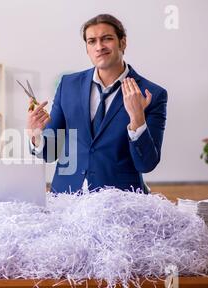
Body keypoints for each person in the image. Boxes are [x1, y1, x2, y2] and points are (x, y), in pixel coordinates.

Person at [27, 14, 167, 193]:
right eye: (92, 41)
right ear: (87, 48)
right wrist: (36, 135)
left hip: (120, 204)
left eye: (106, 39)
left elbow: (146, 164)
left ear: (122, 43)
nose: (99, 47)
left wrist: (137, 119)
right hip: (66, 200)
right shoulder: (68, 85)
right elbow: (50, 153)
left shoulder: (152, 94)